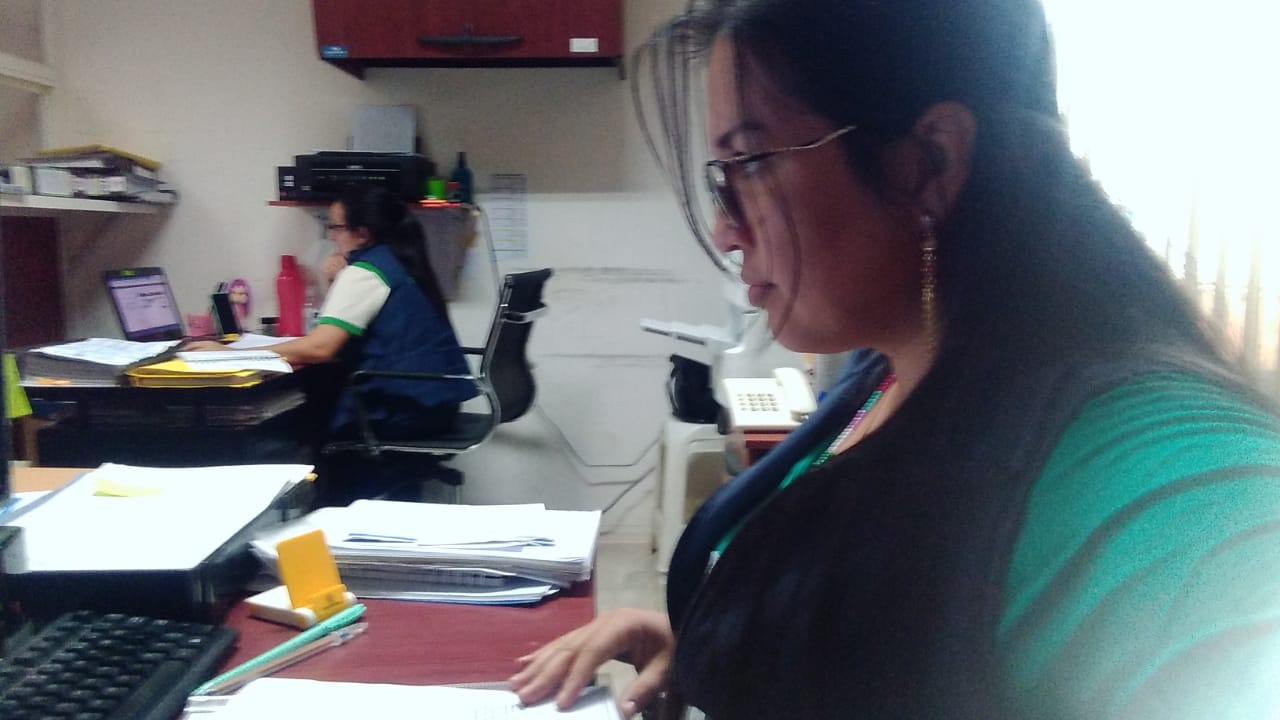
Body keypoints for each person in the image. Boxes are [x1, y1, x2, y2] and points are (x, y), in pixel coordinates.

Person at [509, 1, 1280, 718]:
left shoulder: (1172, 472)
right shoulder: (883, 376)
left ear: (928, 162)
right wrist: (722, 653)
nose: (725, 229)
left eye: (751, 163)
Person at [186, 185, 477, 504]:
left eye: (336, 227)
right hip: (432, 404)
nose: (331, 235)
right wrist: (337, 280)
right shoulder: (397, 261)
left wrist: (231, 353)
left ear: (361, 234)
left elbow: (320, 348)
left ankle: (316, 511)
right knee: (317, 401)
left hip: (404, 410)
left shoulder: (366, 272)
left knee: (296, 425)